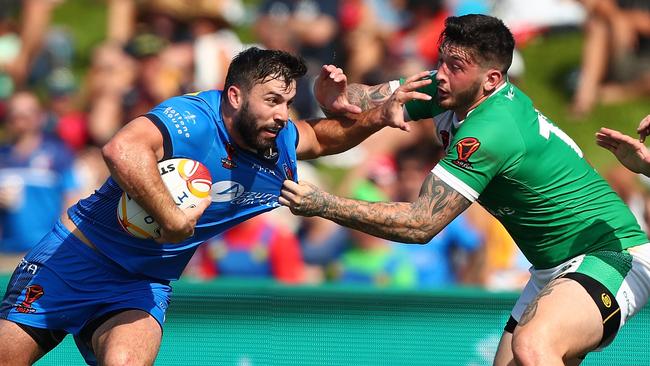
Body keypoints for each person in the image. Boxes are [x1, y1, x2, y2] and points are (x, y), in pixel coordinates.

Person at [0, 47, 431, 365]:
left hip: (142, 284)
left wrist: (378, 115)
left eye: (288, 102)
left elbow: (322, 137)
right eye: (272, 100)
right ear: (235, 97)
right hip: (75, 259)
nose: (283, 115)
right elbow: (120, 149)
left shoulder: (276, 139)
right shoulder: (191, 118)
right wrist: (171, 218)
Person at [280, 14, 650, 364]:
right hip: (553, 266)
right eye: (441, 61)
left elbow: (420, 224)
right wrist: (328, 93)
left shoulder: (491, 131)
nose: (440, 75)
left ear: (491, 80)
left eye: (455, 67)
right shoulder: (451, 88)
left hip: (612, 254)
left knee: (533, 345)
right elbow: (362, 98)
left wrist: (323, 203)